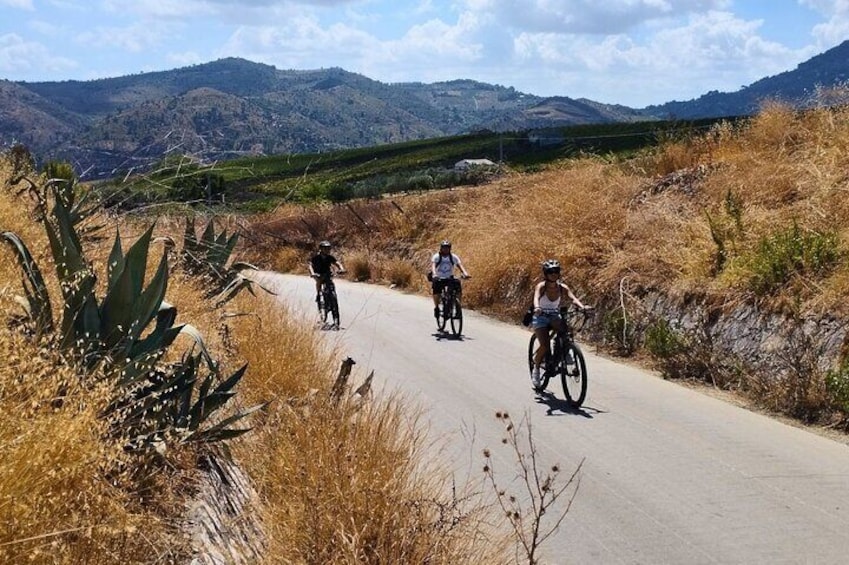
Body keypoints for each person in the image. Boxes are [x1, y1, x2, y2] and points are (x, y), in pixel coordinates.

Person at [529, 259, 588, 388]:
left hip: (555, 316)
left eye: (556, 271)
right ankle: (537, 367)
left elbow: (573, 298)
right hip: (541, 317)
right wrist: (537, 307)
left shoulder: (562, 287)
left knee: (566, 331)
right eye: (550, 272)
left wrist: (582, 307)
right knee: (544, 345)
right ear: (545, 274)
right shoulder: (541, 286)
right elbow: (536, 297)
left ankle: (564, 351)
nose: (553, 274)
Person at [431, 240, 470, 318]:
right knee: (436, 291)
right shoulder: (437, 256)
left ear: (450, 249)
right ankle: (437, 308)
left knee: (457, 285)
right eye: (444, 248)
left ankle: (458, 307)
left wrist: (465, 273)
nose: (445, 249)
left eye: (447, 248)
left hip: (449, 278)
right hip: (439, 277)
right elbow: (433, 266)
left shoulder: (453, 257)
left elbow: (460, 265)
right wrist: (434, 274)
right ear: (441, 248)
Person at [309, 241, 346, 307]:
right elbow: (310, 266)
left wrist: (341, 269)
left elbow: (337, 263)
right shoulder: (316, 258)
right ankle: (318, 294)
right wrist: (313, 273)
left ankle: (332, 296)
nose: (327, 250)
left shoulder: (329, 257)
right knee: (319, 281)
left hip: (327, 273)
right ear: (321, 249)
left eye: (328, 248)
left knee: (330, 282)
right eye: (325, 248)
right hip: (318, 273)